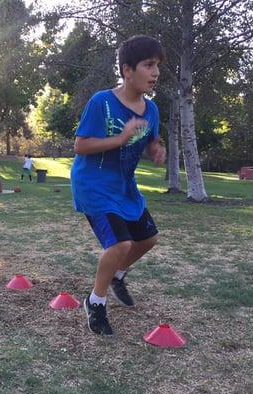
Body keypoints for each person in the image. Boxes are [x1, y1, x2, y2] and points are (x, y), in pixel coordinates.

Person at [70, 35, 167, 336]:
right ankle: (95, 301)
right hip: (94, 184)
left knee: (148, 239)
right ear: (128, 70)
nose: (156, 72)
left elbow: (152, 141)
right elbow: (81, 145)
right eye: (148, 65)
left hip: (125, 187)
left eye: (158, 66)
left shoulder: (151, 110)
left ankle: (117, 275)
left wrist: (156, 151)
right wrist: (121, 138)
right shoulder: (102, 103)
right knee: (120, 243)